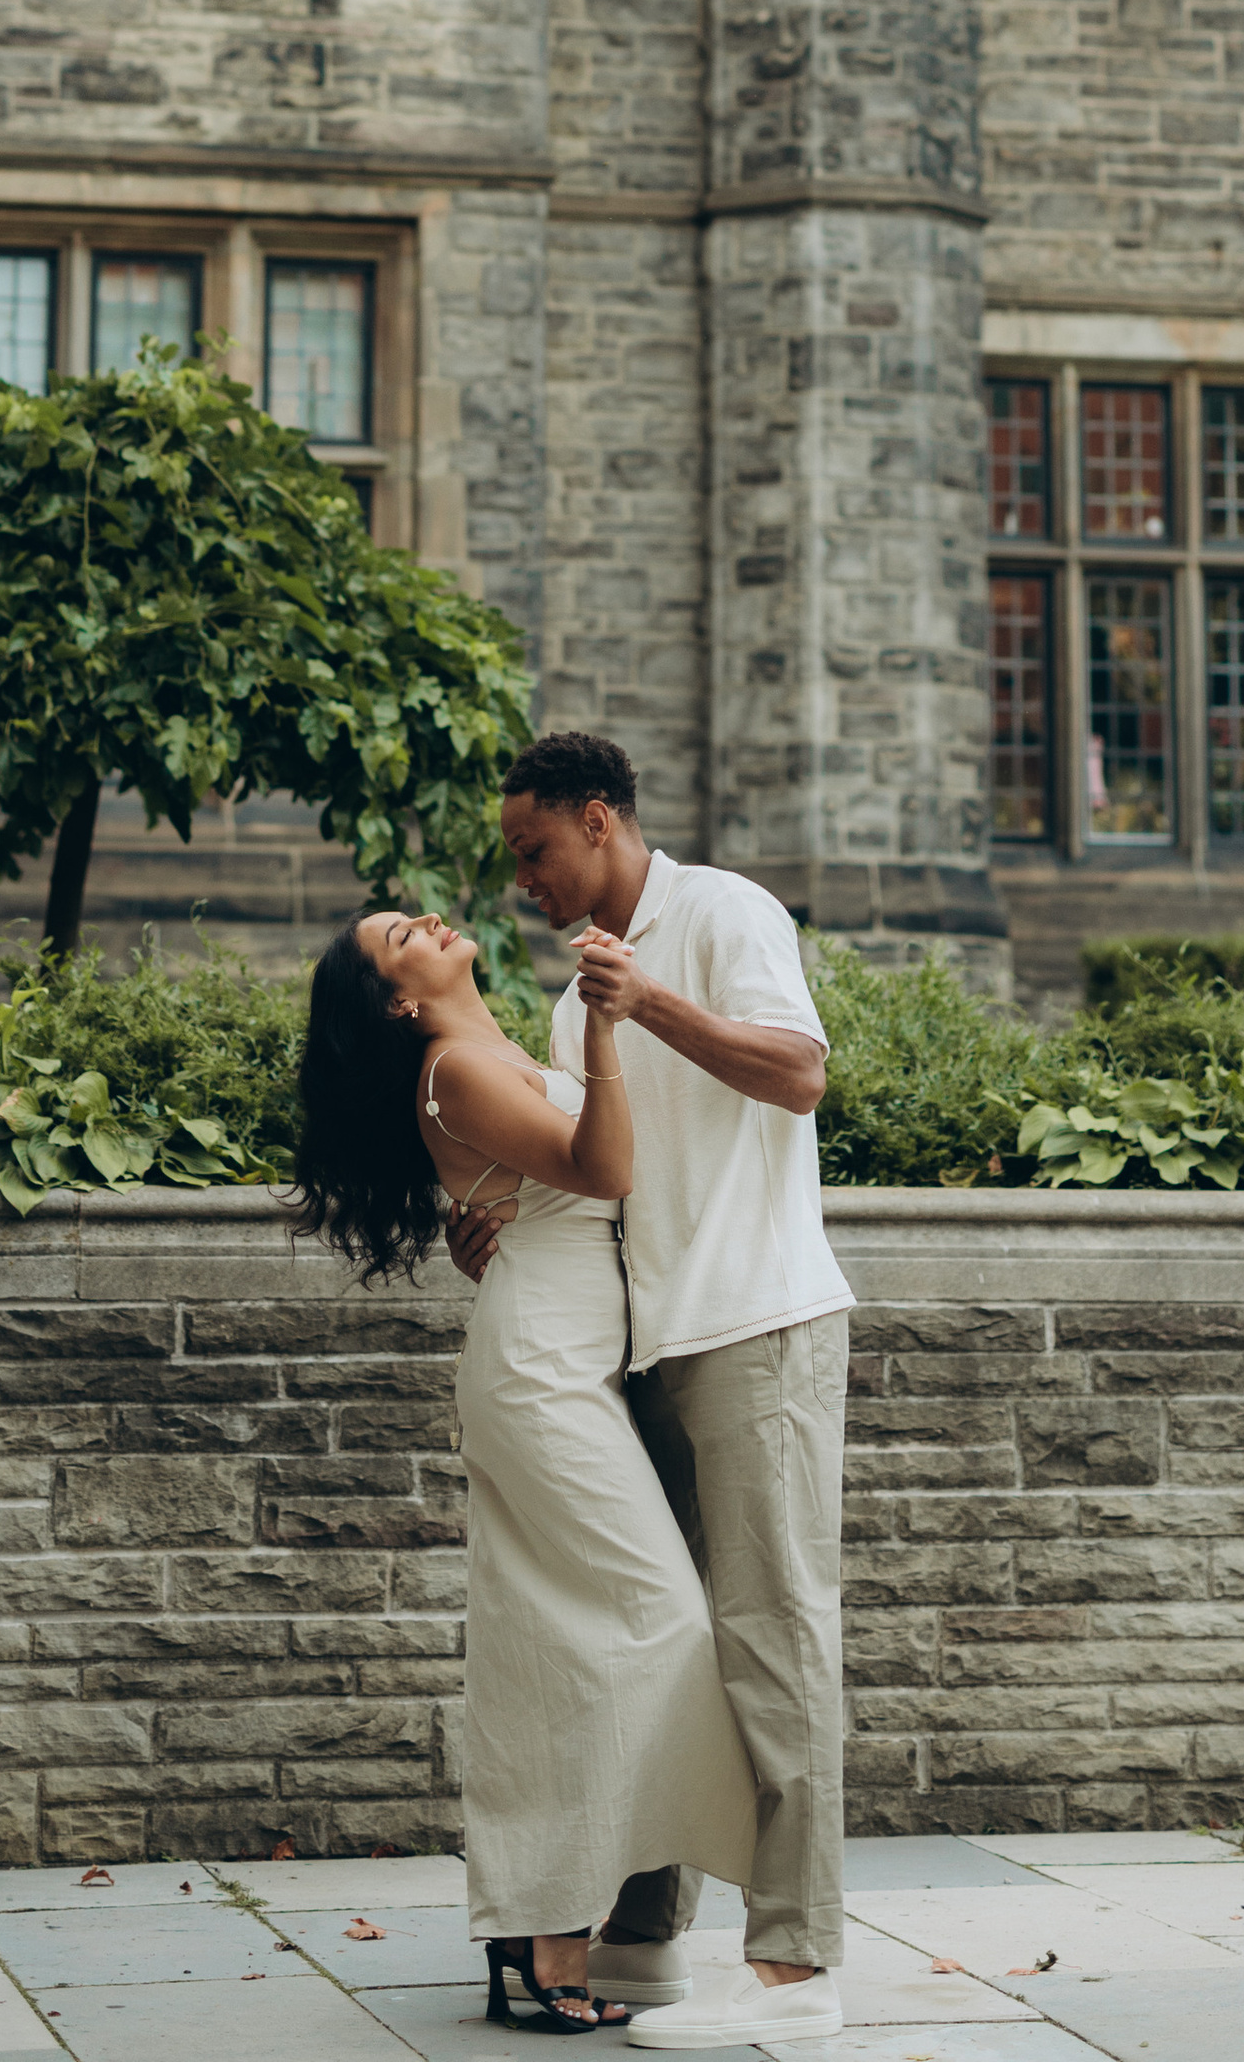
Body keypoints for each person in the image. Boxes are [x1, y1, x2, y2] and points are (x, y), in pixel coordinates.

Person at [449, 733, 853, 2055]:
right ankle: (644, 1943)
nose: (526, 883)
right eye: (517, 863)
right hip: (644, 1347)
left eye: (537, 853)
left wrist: (646, 1003)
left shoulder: (725, 911)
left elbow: (800, 1074)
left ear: (602, 820)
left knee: (772, 1640)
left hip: (758, 1323)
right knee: (656, 1641)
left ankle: (799, 1970)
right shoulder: (572, 1001)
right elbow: (601, 1174)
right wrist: (495, 1217)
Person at [291, 899, 756, 2034]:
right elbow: (600, 1169)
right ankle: (553, 1928)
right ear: (400, 1001)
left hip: (570, 1360)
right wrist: (606, 1031)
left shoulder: (495, 1053)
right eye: (405, 936)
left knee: (565, 1644)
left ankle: (543, 1920)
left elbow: (535, 1198)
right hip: (542, 1378)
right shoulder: (453, 1066)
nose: (434, 920)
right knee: (661, 1623)